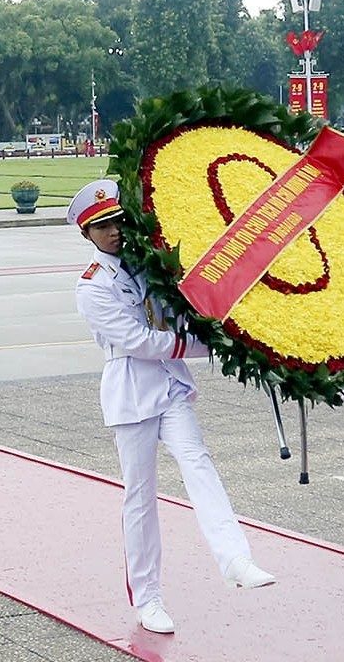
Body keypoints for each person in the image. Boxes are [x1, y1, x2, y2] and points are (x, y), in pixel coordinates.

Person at [68, 179, 275, 635]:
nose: (114, 232)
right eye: (102, 227)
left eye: (117, 222)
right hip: (131, 391)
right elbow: (138, 341)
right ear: (87, 234)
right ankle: (148, 598)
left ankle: (235, 557)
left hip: (170, 385)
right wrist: (206, 346)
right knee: (140, 498)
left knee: (198, 462)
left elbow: (179, 311)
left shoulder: (149, 266)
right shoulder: (92, 286)